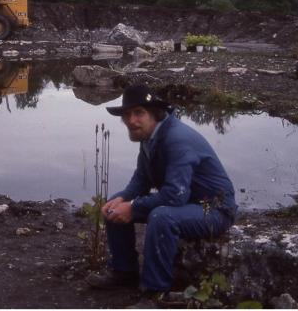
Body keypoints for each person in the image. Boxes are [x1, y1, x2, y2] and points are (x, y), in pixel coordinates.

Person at [87, 84, 237, 303]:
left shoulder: (177, 139)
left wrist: (134, 207)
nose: (131, 120)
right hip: (189, 203)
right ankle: (124, 271)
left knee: (162, 216)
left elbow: (175, 196)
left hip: (211, 207)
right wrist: (122, 199)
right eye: (127, 114)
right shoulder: (151, 136)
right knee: (114, 204)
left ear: (154, 113)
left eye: (139, 113)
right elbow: (141, 179)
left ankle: (154, 292)